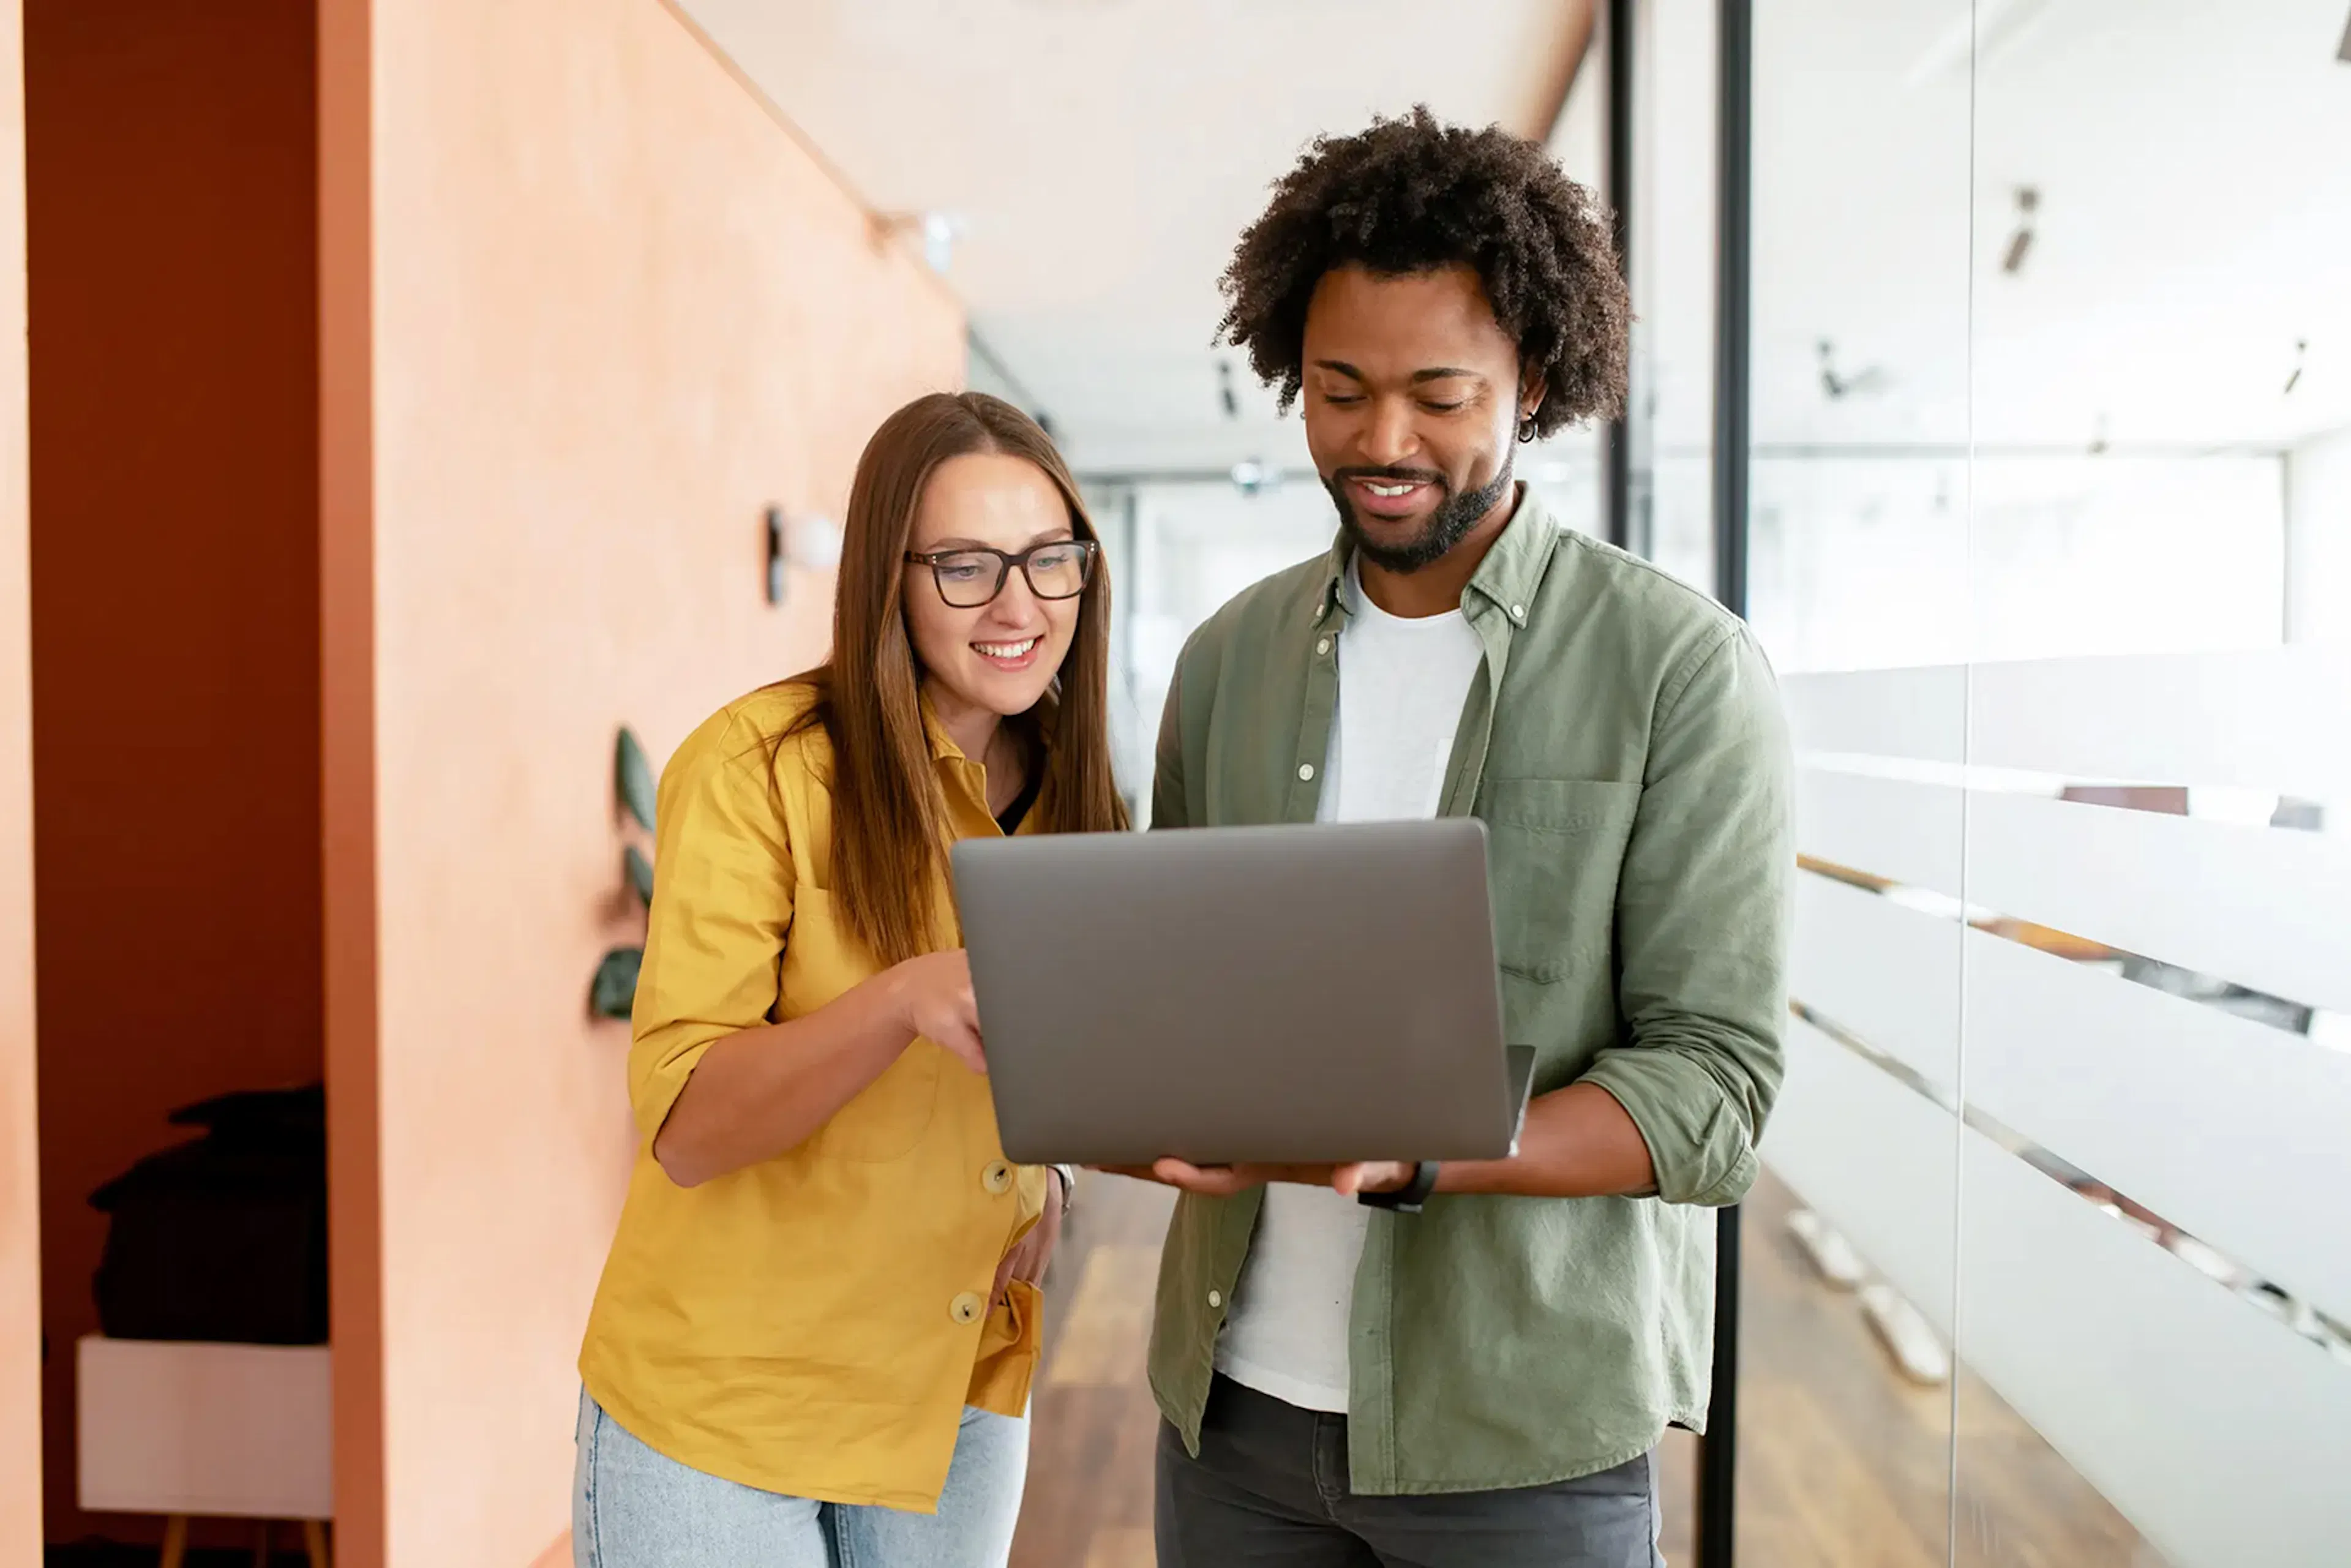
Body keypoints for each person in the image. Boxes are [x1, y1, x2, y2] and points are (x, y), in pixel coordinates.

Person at [1132, 110, 1793, 1567]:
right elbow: (1179, 992)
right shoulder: (1227, 659)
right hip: (1233, 1412)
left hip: (1522, 1434)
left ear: (1534, 382)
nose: (1382, 442)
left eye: (1440, 394)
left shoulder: (1679, 666)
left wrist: (1436, 1148)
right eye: (1339, 389)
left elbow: (1717, 1090)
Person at [572, 391, 1127, 1568]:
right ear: (890, 574)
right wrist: (894, 1002)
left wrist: (1059, 1172)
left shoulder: (1083, 796)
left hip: (954, 1394)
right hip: (729, 1409)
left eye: (1049, 560)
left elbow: (1083, 1039)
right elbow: (686, 1126)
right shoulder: (753, 768)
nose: (1019, 606)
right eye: (967, 567)